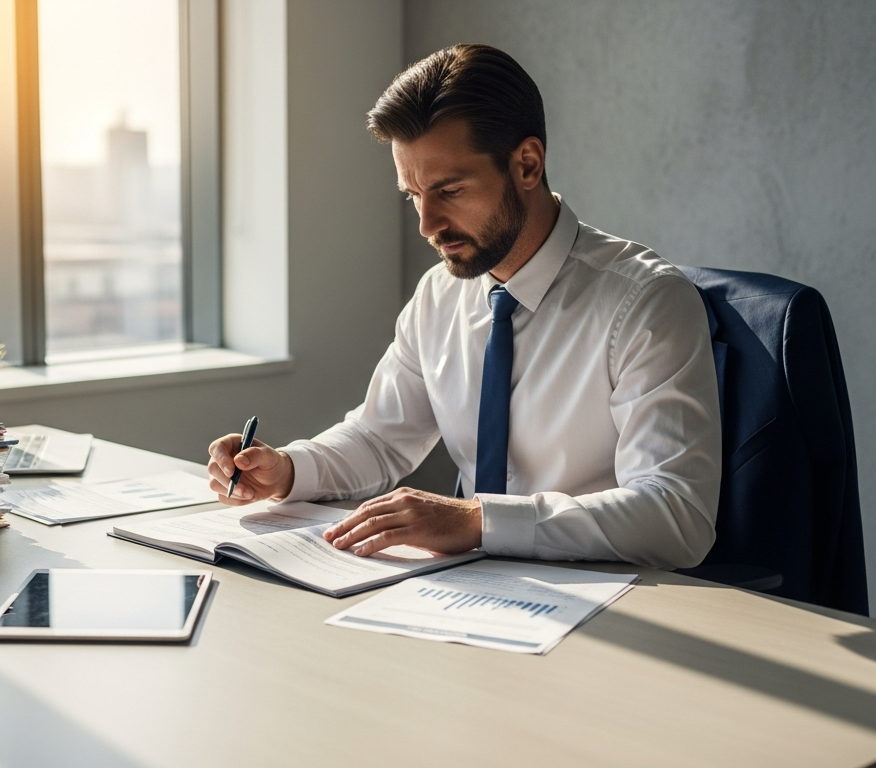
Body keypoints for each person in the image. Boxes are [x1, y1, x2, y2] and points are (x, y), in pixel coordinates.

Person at [206, 44, 722, 569]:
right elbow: (379, 437)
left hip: (613, 601)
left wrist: (479, 522)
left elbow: (676, 513)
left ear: (527, 164)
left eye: (448, 190)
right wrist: (289, 469)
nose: (428, 224)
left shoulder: (647, 303)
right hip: (473, 592)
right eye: (413, 195)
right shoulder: (439, 296)